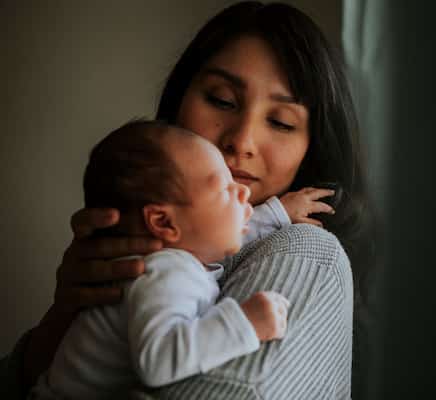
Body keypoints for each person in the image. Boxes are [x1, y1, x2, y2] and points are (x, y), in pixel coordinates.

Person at [2, 2, 374, 399]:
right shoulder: (165, 263)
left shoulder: (305, 251)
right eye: (222, 100)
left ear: (312, 147)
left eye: (281, 122)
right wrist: (64, 316)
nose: (242, 141)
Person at [29, 120, 294, 398]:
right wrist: (244, 323)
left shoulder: (176, 258)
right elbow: (157, 362)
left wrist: (279, 214)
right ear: (163, 222)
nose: (244, 192)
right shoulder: (164, 273)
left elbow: (224, 232)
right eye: (225, 189)